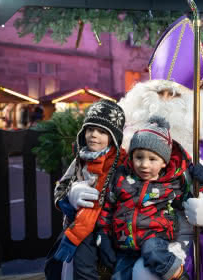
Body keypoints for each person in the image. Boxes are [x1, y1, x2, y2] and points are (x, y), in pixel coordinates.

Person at [68, 16, 203, 280]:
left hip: (182, 241)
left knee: (145, 273)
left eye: (176, 94)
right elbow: (99, 177)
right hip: (125, 234)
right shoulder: (123, 138)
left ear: (194, 101)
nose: (166, 101)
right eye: (159, 92)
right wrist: (76, 189)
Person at [98, 116, 203, 280]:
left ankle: (178, 274)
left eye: (152, 159)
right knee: (119, 276)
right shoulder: (121, 178)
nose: (144, 164)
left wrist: (198, 183)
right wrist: (103, 234)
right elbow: (108, 206)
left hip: (155, 236)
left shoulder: (170, 183)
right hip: (124, 241)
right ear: (132, 156)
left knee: (152, 251)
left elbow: (188, 199)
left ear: (164, 162)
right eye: (139, 157)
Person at [44, 99, 127, 280]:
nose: (94, 135)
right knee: (61, 267)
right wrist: (68, 198)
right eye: (90, 129)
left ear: (114, 136)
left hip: (108, 227)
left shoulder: (122, 163)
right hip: (79, 225)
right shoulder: (80, 160)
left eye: (102, 131)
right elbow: (61, 185)